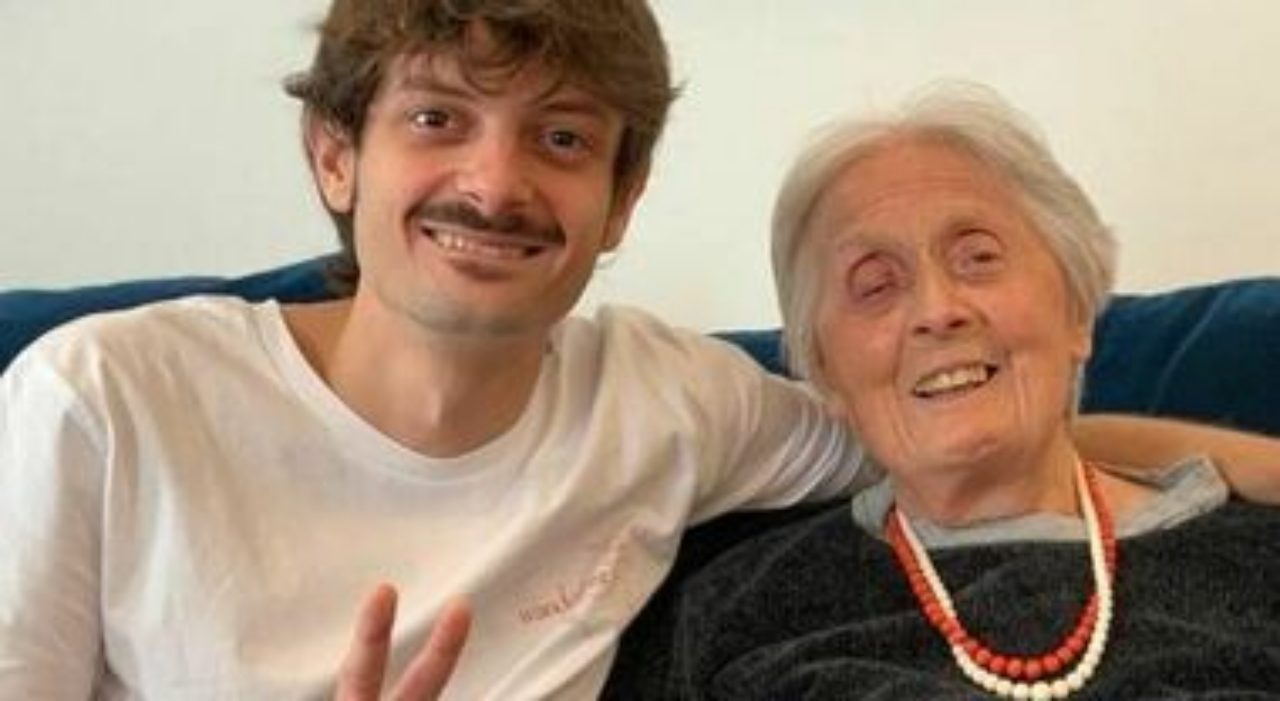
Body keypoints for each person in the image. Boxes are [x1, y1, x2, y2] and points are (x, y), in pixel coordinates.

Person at [1, 1, 1278, 697]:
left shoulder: (672, 404)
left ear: (620, 203)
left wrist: (1232, 473)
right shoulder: (100, 395)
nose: (493, 182)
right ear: (335, 155)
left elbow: (962, 430)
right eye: (438, 118)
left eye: (560, 137)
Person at [606, 83, 1280, 698]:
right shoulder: (735, 607)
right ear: (824, 372)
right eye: (875, 284)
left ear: (1077, 309)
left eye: (978, 257)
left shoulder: (1256, 556)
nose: (937, 309)